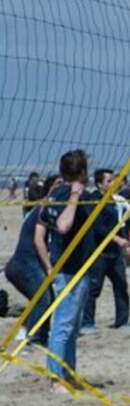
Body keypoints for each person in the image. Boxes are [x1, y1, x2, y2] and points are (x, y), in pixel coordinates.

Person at [41, 150, 95, 391]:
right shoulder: (69, 195)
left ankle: (68, 373)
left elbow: (42, 221)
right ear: (82, 172)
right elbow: (62, 226)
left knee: (71, 326)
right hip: (69, 269)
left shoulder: (56, 193)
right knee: (63, 326)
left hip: (74, 268)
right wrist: (74, 195)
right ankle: (56, 378)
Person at [4, 175, 58, 345]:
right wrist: (49, 267)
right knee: (43, 299)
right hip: (23, 263)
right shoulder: (45, 208)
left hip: (25, 263)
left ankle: (34, 332)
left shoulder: (52, 208)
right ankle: (33, 338)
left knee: (45, 299)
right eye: (58, 185)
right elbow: (39, 241)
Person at [82, 168, 130, 330]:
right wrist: (118, 240)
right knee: (93, 289)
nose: (113, 183)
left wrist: (126, 244)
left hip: (115, 252)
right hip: (99, 252)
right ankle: (88, 322)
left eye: (113, 180)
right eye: (109, 181)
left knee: (121, 285)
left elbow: (119, 224)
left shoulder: (114, 200)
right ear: (99, 184)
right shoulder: (94, 200)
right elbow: (98, 228)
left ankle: (122, 321)